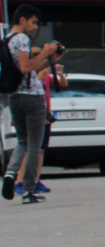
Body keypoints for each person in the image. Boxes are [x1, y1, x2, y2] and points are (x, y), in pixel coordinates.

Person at [3, 5, 65, 204]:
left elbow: (30, 69)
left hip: (15, 97)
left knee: (23, 141)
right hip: (32, 97)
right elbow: (25, 67)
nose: (35, 27)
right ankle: (29, 190)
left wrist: (50, 60)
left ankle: (10, 174)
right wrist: (44, 51)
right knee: (35, 146)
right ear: (22, 20)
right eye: (33, 22)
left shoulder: (7, 39)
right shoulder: (22, 39)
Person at [14, 61, 67, 197]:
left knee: (41, 150)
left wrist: (60, 74)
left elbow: (62, 85)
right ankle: (20, 181)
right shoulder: (28, 76)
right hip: (32, 115)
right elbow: (30, 88)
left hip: (44, 116)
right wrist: (41, 74)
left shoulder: (47, 77)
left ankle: (36, 180)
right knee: (29, 147)